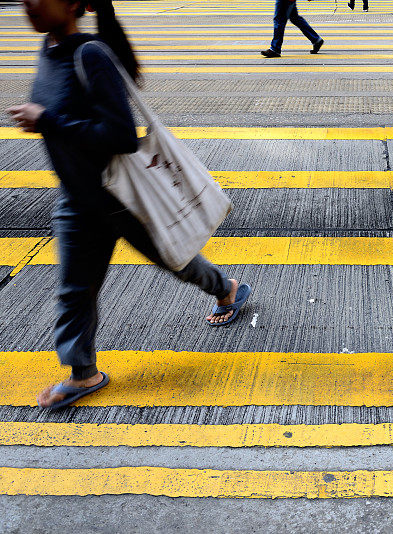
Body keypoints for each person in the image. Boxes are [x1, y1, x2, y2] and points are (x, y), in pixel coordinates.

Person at [7, 0, 252, 410]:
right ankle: (83, 372)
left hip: (122, 198)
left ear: (71, 4)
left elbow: (121, 133)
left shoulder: (92, 54)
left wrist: (47, 120)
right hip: (77, 197)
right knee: (74, 290)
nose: (28, 3)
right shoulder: (48, 49)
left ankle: (226, 288)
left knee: (175, 261)